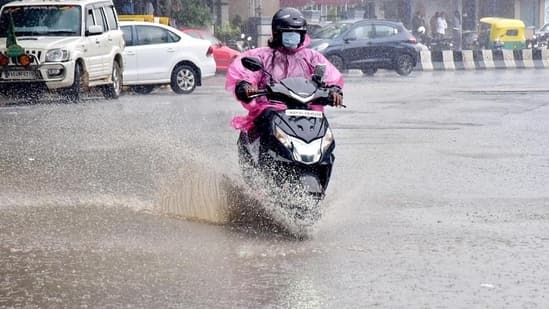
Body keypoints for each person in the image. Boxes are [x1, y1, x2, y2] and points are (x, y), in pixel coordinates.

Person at [225, 7, 344, 132]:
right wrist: (245, 87)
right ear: (277, 34)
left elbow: (328, 76)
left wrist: (334, 91)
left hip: (306, 112)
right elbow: (247, 74)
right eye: (288, 33)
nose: (293, 37)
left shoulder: (312, 57)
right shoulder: (263, 56)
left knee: (324, 134)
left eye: (297, 34)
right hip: (272, 110)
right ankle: (265, 151)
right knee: (266, 121)